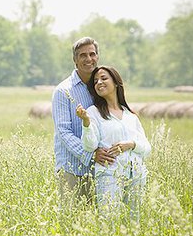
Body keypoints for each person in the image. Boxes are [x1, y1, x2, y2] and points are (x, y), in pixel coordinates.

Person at [76, 65, 151, 219]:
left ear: (116, 82)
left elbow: (147, 149)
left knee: (134, 222)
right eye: (96, 81)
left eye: (104, 78)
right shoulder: (93, 112)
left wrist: (131, 144)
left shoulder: (130, 115)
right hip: (109, 175)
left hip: (136, 176)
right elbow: (89, 146)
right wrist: (86, 123)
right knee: (109, 221)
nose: (99, 83)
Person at [52, 37, 115, 204]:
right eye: (83, 55)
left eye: (92, 54)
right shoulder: (63, 91)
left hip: (102, 169)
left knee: (97, 220)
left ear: (97, 57)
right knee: (73, 221)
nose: (89, 59)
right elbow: (63, 132)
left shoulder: (101, 87)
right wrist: (91, 154)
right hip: (72, 169)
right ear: (75, 60)